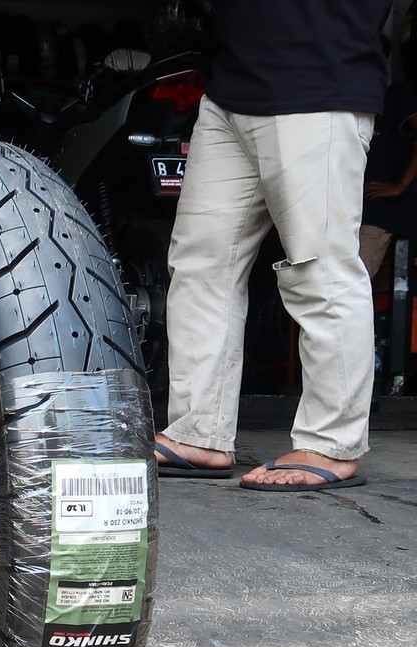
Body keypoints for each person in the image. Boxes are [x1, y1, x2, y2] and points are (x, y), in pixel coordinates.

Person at [154, 0, 392, 492]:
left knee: (319, 269)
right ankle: (199, 433)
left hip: (318, 81)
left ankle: (331, 443)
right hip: (230, 90)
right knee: (200, 265)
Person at [361, 82, 417, 279]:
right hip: (345, 211)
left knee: (347, 286)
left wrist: (400, 185)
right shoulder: (348, 98)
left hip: (377, 213)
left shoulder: (393, 94)